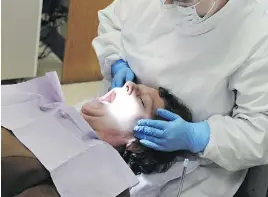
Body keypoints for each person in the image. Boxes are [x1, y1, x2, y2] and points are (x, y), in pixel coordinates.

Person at [92, 0, 268, 197]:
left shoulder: (259, 38)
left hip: (196, 167)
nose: (164, 2)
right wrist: (116, 60)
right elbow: (112, 22)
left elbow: (267, 128)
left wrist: (200, 136)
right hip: (120, 142)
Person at [1, 78, 193, 197]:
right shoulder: (46, 104)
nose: (129, 85)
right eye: (134, 83)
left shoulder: (101, 183)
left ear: (136, 145)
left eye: (142, 101)